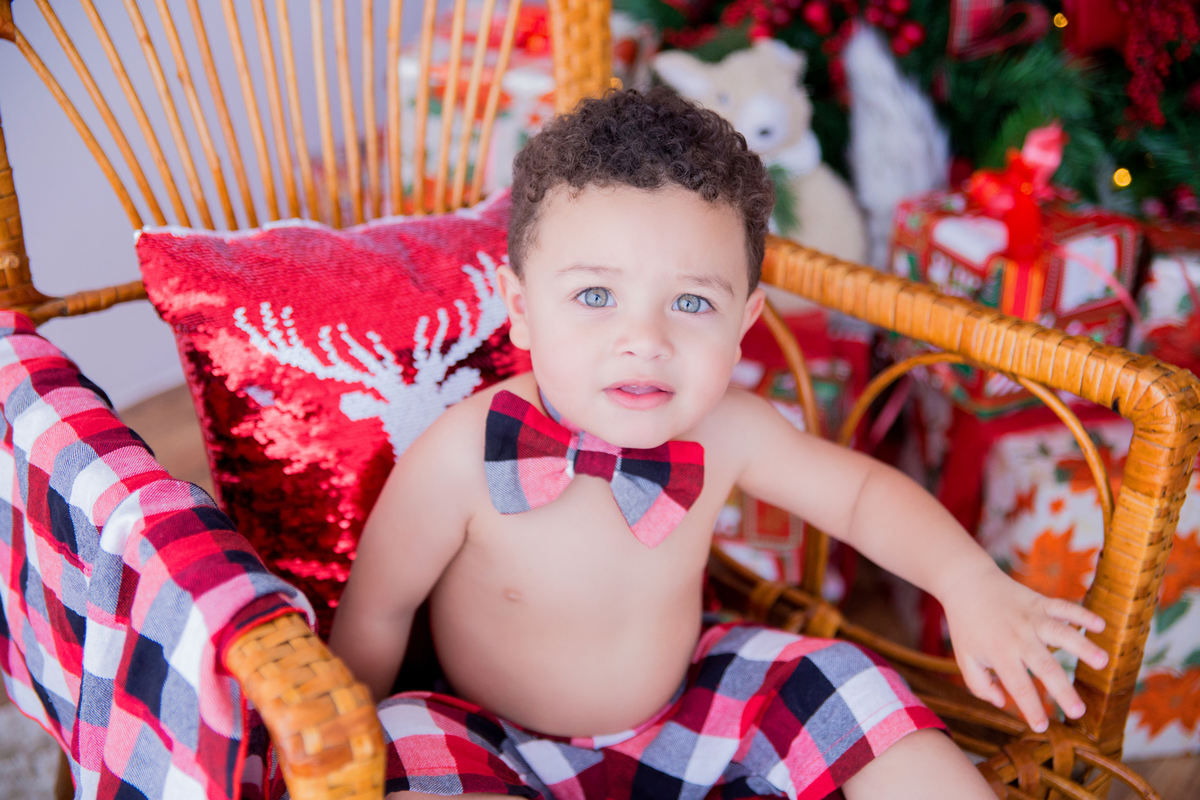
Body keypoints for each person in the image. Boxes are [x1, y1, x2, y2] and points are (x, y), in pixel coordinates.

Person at [328, 88, 1109, 800]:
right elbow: (377, 612)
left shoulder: (730, 428)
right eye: (595, 295)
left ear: (744, 323)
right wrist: (338, 761)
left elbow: (862, 498)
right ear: (522, 309)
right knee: (401, 741)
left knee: (850, 684)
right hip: (493, 739)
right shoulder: (463, 454)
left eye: (692, 302)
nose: (645, 339)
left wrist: (966, 582)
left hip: (689, 715)